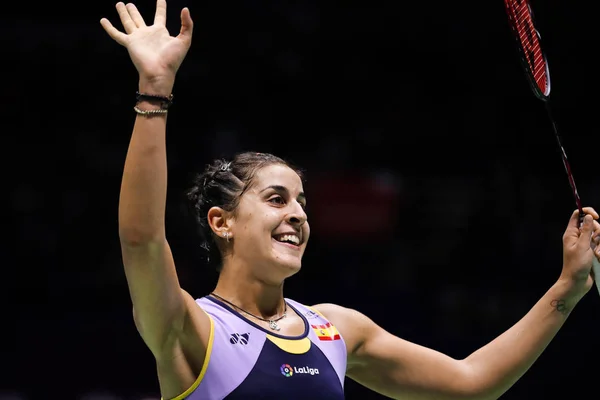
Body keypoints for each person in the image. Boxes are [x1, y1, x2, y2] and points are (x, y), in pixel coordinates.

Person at [100, 1, 600, 399]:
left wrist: (567, 288)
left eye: (301, 202)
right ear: (221, 221)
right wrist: (154, 93)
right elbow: (141, 240)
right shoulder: (189, 328)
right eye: (276, 199)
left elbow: (470, 382)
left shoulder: (334, 329)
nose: (297, 214)